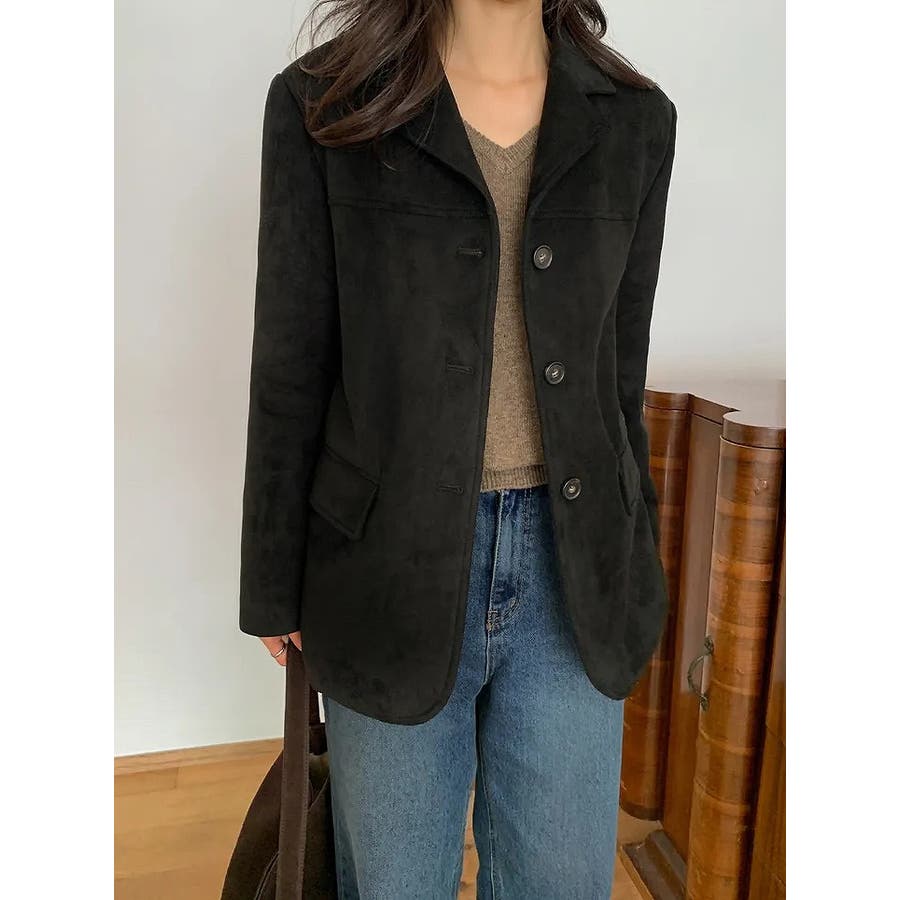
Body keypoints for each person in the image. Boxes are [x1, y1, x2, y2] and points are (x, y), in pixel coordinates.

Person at [239, 1, 677, 896]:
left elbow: (617, 372)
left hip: (574, 576)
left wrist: (635, 558)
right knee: (393, 882)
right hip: (384, 568)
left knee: (560, 883)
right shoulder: (326, 106)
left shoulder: (637, 121)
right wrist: (271, 581)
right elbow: (291, 361)